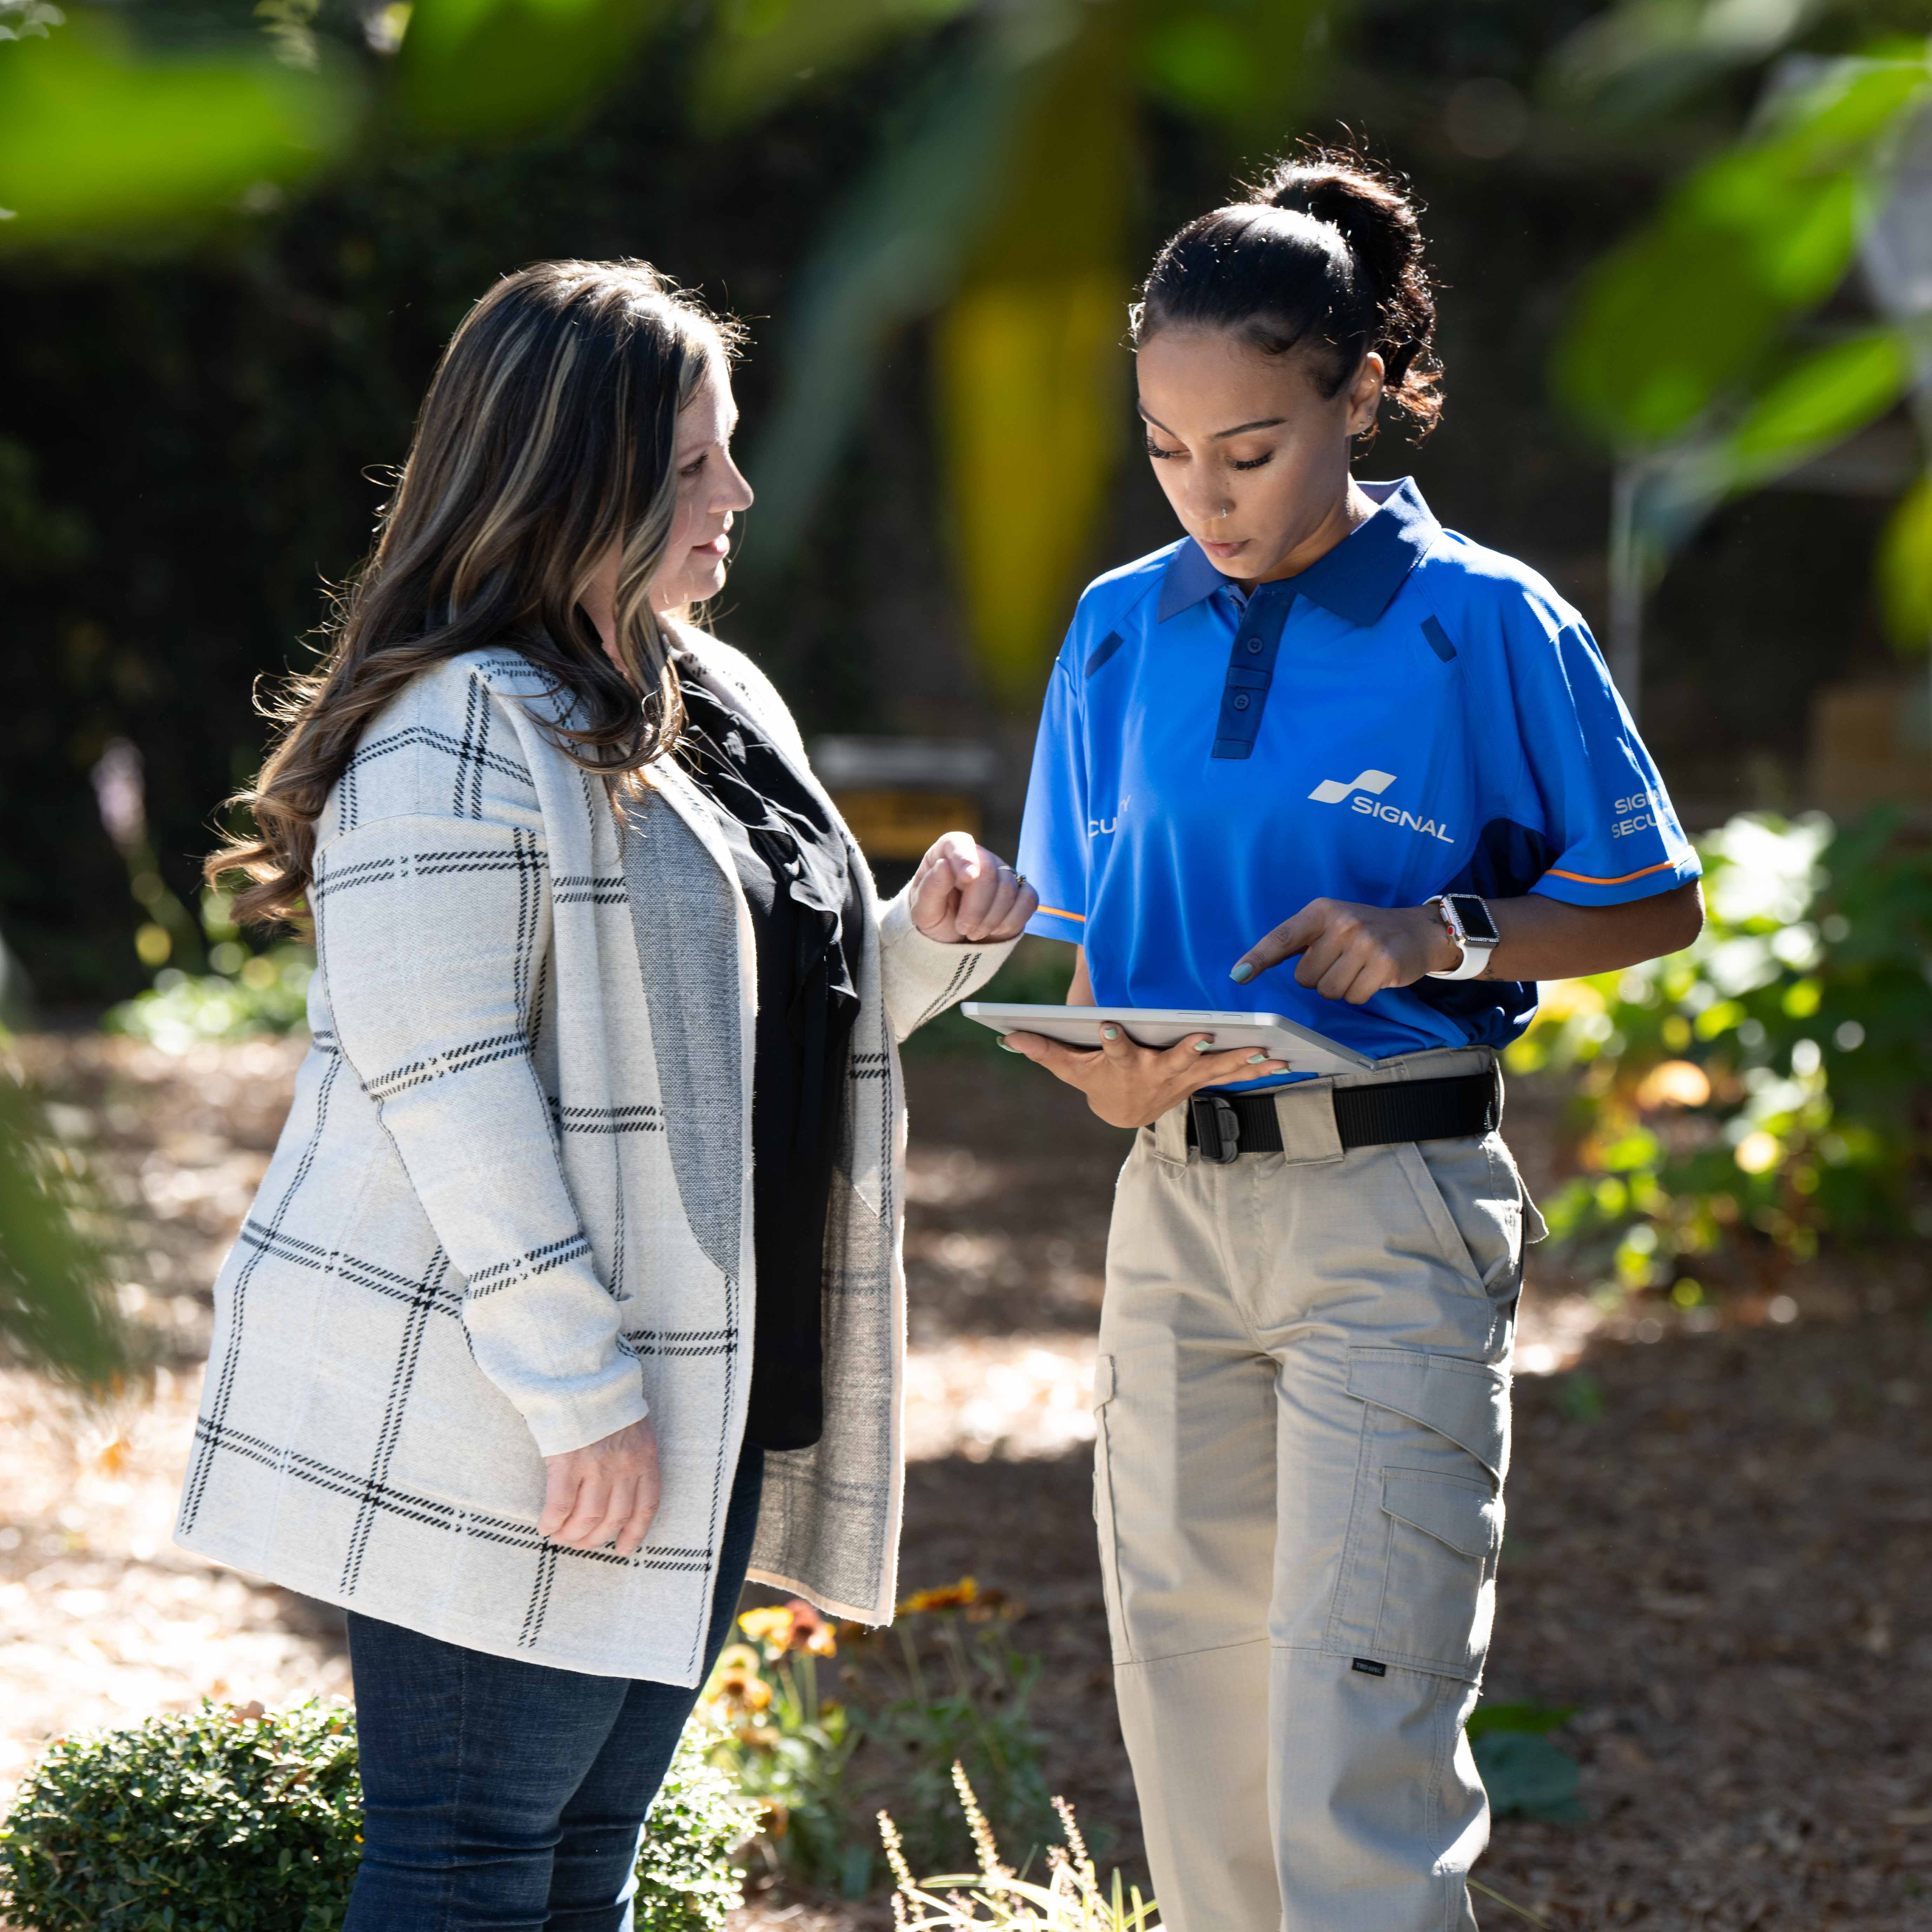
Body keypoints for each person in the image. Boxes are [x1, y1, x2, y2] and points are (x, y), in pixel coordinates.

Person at [174, 258, 1036, 1930]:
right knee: (474, 1861)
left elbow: (763, 1007)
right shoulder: (450, 731)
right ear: (589, 474)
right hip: (536, 1415)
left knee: (583, 1860)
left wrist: (915, 943)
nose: (741, 490)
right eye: (701, 458)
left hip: (699, 1393)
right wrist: (585, 1393)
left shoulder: (707, 691)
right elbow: (448, 1080)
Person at [1002, 153, 1704, 1932]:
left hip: (1388, 1214)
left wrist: (1442, 928)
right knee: (1198, 1734)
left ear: (1362, 394)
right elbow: (1085, 943)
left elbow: (1649, 900)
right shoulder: (1111, 632)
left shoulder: (1486, 622)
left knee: (1357, 1747)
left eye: (1246, 449)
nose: (1203, 494)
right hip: (1169, 1218)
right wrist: (1092, 1052)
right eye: (1165, 450)